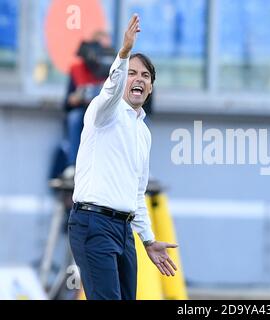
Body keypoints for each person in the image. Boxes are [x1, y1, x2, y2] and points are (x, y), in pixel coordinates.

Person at [68, 14, 178, 300]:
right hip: (93, 223)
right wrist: (124, 53)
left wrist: (149, 240)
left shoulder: (143, 132)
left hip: (124, 229)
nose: (138, 79)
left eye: (145, 75)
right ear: (120, 78)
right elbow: (110, 90)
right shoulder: (104, 112)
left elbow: (137, 193)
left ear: (151, 87)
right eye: (132, 72)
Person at [62, 30, 114, 180]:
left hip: (108, 114)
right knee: (74, 118)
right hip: (84, 113)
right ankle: (73, 165)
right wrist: (77, 97)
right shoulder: (77, 69)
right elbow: (66, 102)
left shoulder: (116, 69)